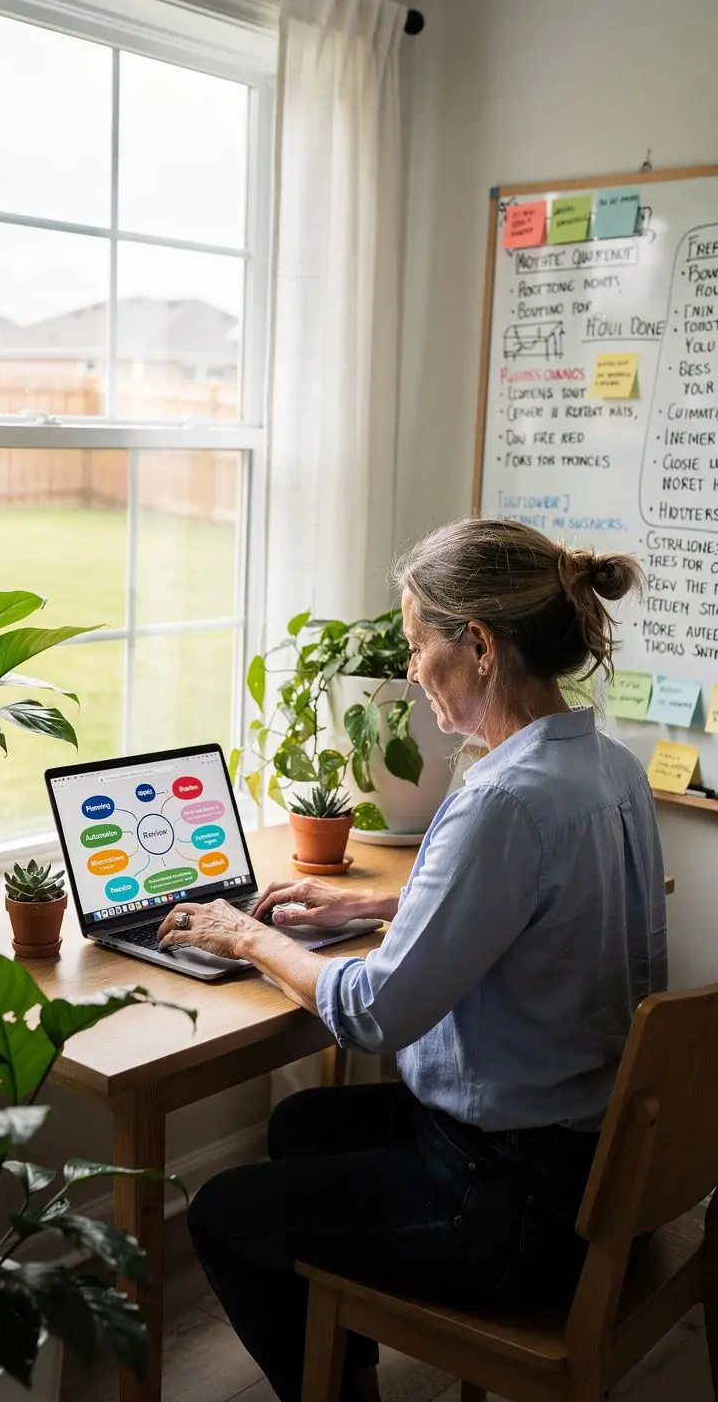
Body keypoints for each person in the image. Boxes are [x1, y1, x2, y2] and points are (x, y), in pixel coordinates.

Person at [157, 518, 668, 1402]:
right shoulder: (607, 767)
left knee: (225, 1214)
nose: (408, 670)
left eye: (415, 644)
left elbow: (373, 1013)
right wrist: (380, 902)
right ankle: (341, 1364)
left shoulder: (503, 800)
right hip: (595, 1165)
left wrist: (248, 937)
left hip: (516, 1207)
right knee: (299, 1129)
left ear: (477, 645)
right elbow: (542, 907)